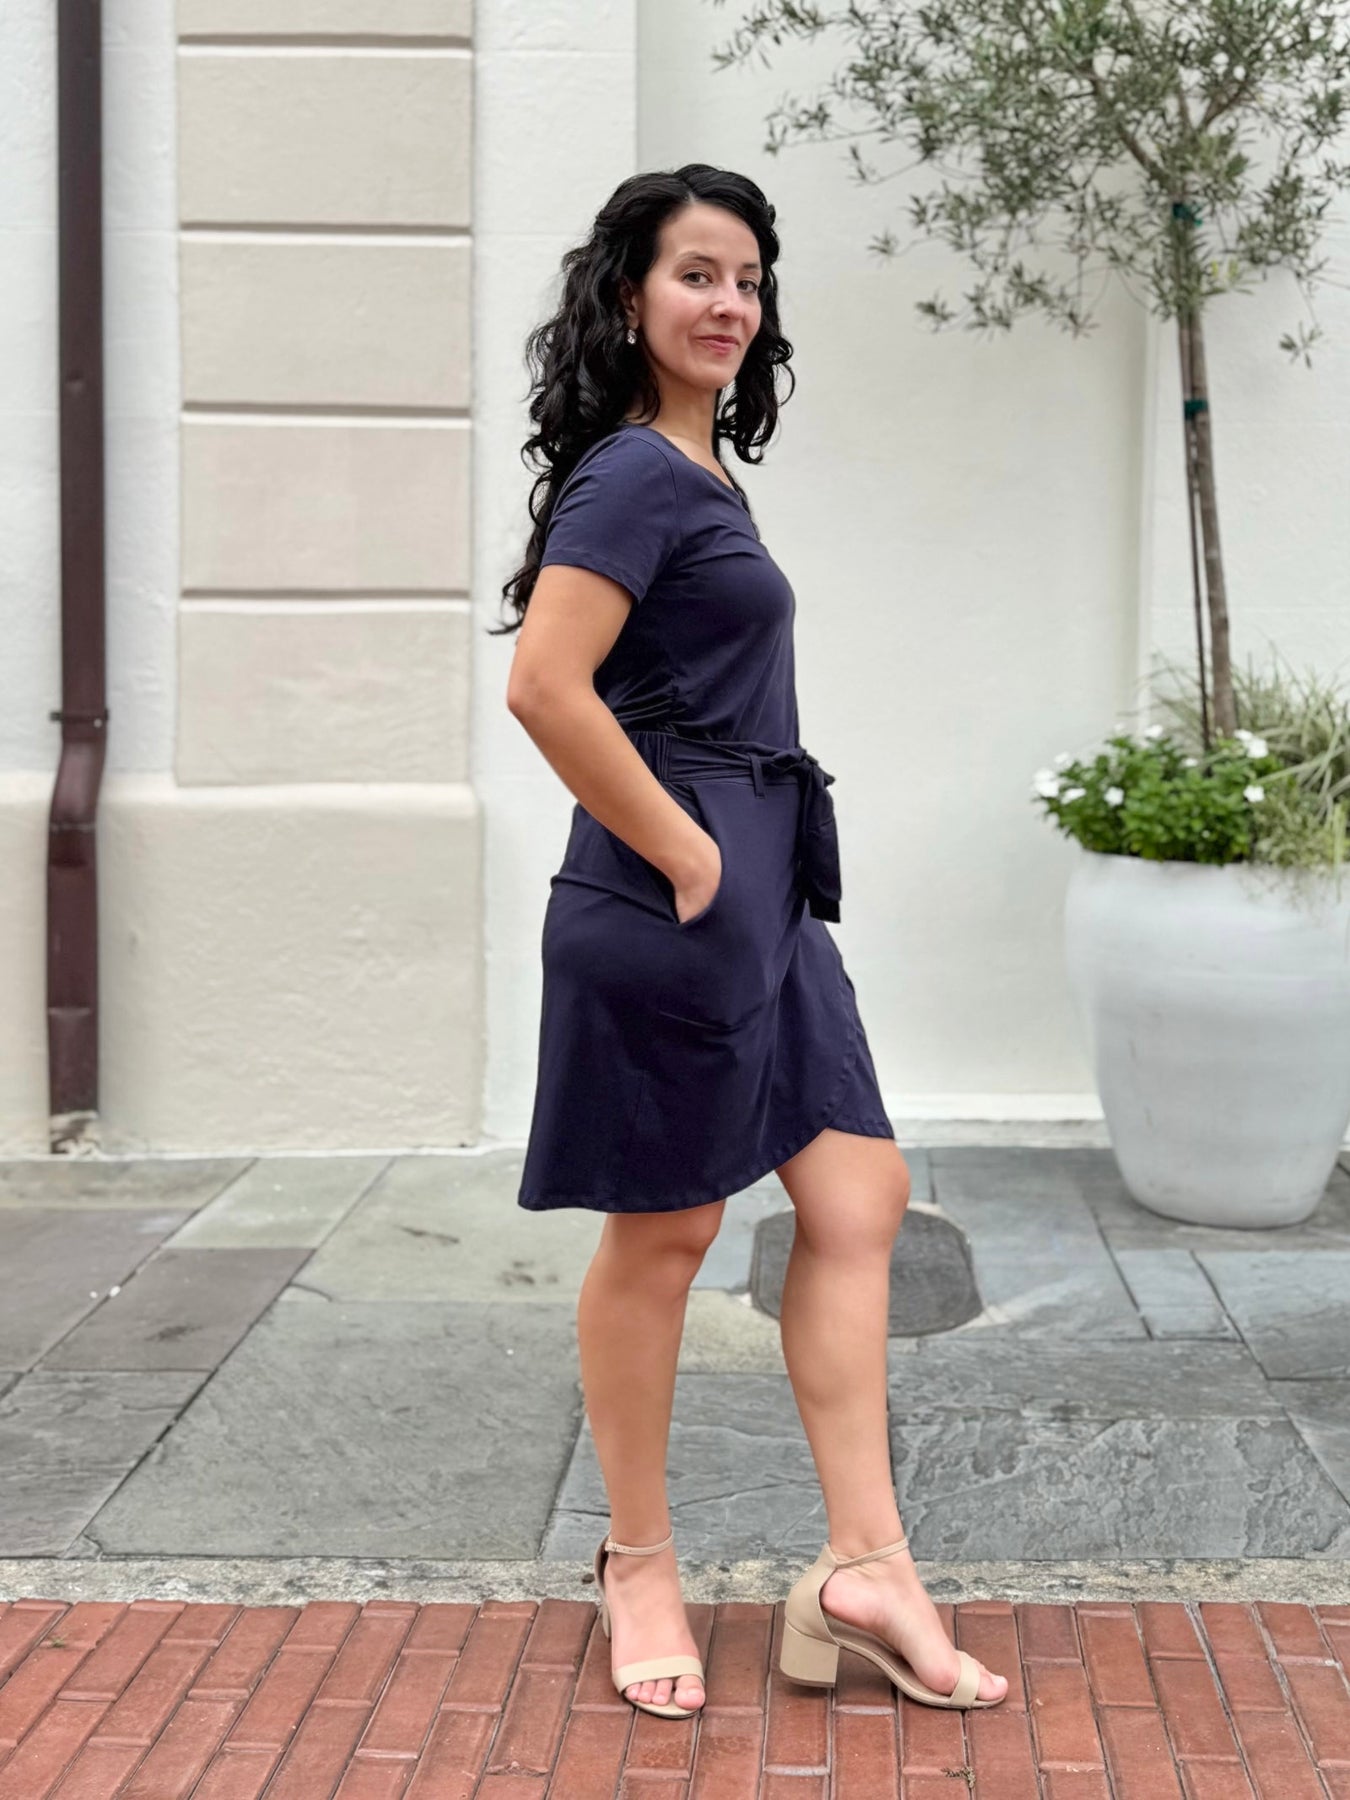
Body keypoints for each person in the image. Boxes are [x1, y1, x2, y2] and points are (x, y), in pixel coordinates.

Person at [494, 164, 1009, 1722]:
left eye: (747, 280)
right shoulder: (632, 476)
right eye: (695, 274)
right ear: (628, 296)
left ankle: (867, 1568)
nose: (728, 303)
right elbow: (543, 686)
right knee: (666, 1236)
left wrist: (738, 867)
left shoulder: (699, 473)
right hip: (675, 898)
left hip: (764, 897)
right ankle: (637, 1563)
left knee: (857, 1194)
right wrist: (686, 852)